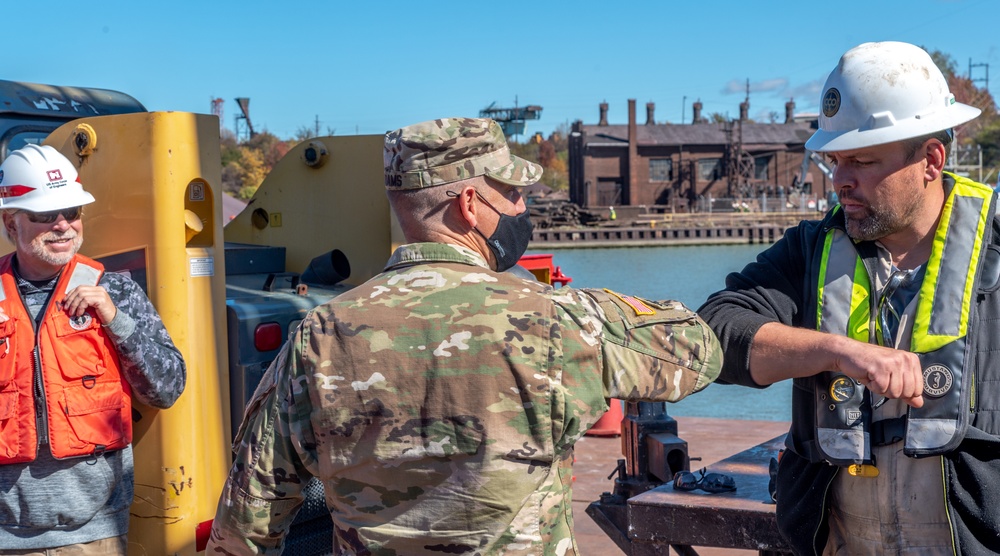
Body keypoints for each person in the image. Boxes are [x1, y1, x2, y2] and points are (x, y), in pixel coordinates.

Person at [207, 117, 722, 554]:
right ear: (470, 204)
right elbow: (701, 351)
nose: (522, 210)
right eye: (514, 194)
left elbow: (245, 526)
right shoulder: (555, 319)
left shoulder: (319, 336)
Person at [698, 41, 995, 555]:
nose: (840, 181)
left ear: (930, 160)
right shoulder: (810, 251)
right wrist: (836, 352)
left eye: (861, 160)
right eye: (834, 161)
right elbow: (714, 331)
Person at [0, 145, 186, 554]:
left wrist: (116, 318)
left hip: (92, 534)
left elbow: (168, 387)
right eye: (46, 215)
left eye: (73, 212)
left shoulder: (114, 289)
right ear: (10, 223)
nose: (64, 225)